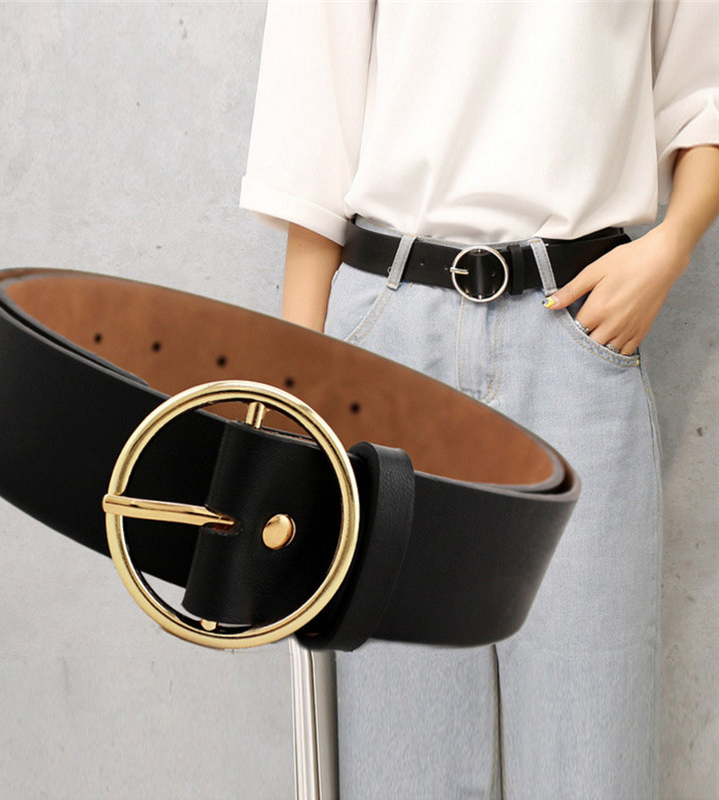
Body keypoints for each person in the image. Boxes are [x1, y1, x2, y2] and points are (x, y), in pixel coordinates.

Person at [240, 2, 719, 797]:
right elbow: (312, 130)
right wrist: (298, 396)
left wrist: (670, 250)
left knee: (591, 756)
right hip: (388, 346)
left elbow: (705, 91)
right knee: (404, 765)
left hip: (577, 331)